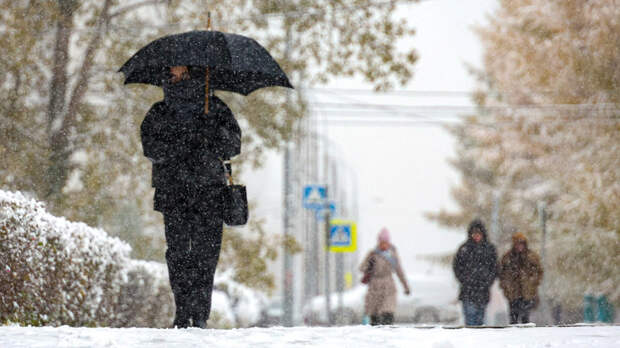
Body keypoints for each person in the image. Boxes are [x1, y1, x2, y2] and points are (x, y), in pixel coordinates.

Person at [140, 65, 241, 328]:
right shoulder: (160, 111)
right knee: (178, 254)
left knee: (205, 255)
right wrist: (182, 141)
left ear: (189, 73)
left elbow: (233, 145)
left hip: (209, 192)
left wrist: (212, 134)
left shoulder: (215, 108)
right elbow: (150, 147)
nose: (168, 74)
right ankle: (183, 311)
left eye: (174, 71)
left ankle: (199, 314)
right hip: (175, 193)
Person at [359, 228, 411, 325]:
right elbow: (362, 268)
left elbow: (399, 271)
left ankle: (388, 331)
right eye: (381, 242)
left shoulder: (392, 254)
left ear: (388, 242)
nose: (383, 245)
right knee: (374, 314)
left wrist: (406, 287)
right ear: (378, 242)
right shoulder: (372, 254)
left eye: (385, 242)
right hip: (374, 286)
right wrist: (369, 264)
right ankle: (376, 333)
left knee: (388, 311)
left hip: (388, 286)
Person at [453, 219, 498, 326]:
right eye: (474, 233)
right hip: (468, 291)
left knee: (480, 320)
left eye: (479, 233)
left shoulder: (489, 249)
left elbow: (495, 268)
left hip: (483, 291)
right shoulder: (464, 249)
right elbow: (457, 267)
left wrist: (488, 281)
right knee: (470, 320)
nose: (476, 236)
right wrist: (465, 279)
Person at [498, 232, 543, 324]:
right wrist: (506, 286)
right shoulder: (507, 257)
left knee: (525, 317)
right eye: (517, 244)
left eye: (521, 244)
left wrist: (532, 282)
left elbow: (538, 272)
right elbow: (501, 274)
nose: (519, 246)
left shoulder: (532, 257)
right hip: (513, 293)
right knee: (513, 318)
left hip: (527, 293)